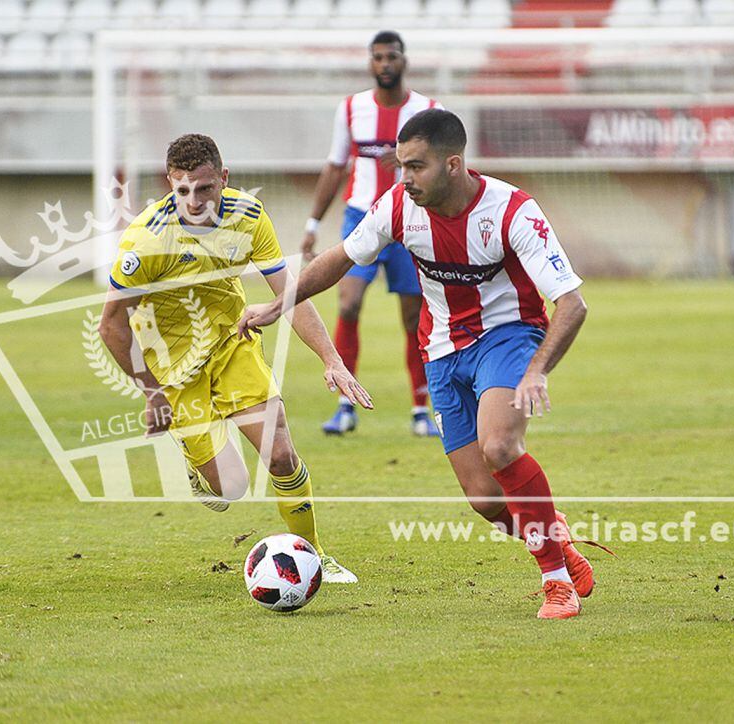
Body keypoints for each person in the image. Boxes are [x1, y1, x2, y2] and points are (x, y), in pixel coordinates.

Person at [242, 110, 596, 619]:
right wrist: (277, 306)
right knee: (484, 500)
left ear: (453, 164)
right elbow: (340, 259)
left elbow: (573, 303)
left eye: (416, 167)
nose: (404, 178)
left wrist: (538, 369)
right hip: (442, 350)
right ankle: (555, 539)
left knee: (500, 445)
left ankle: (556, 582)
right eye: (400, 166)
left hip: (510, 337)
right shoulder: (397, 207)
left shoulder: (513, 210)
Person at [98, 133, 367, 583]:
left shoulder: (248, 216)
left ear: (223, 178)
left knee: (280, 453)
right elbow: (111, 325)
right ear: (170, 184)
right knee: (232, 488)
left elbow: (290, 296)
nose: (194, 201)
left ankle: (316, 557)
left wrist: (331, 359)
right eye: (182, 190)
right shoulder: (146, 241)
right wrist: (152, 393)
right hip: (176, 372)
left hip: (231, 344)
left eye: (205, 188)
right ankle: (197, 463)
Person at [301, 30, 440, 438]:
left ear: (404, 60)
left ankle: (420, 408)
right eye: (378, 57)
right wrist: (312, 224)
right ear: (370, 62)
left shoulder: (428, 111)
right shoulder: (351, 109)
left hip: (411, 220)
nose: (385, 64)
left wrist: (403, 168)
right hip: (361, 217)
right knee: (348, 304)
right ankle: (345, 404)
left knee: (414, 316)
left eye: (391, 56)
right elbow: (334, 165)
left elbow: (442, 167)